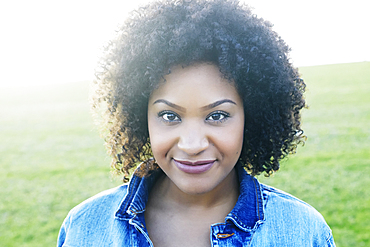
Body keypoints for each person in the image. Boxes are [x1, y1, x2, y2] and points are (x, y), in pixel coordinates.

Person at [57, 0, 336, 246]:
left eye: (217, 116)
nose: (192, 145)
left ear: (251, 117)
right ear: (140, 118)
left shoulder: (301, 232)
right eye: (170, 116)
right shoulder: (85, 227)